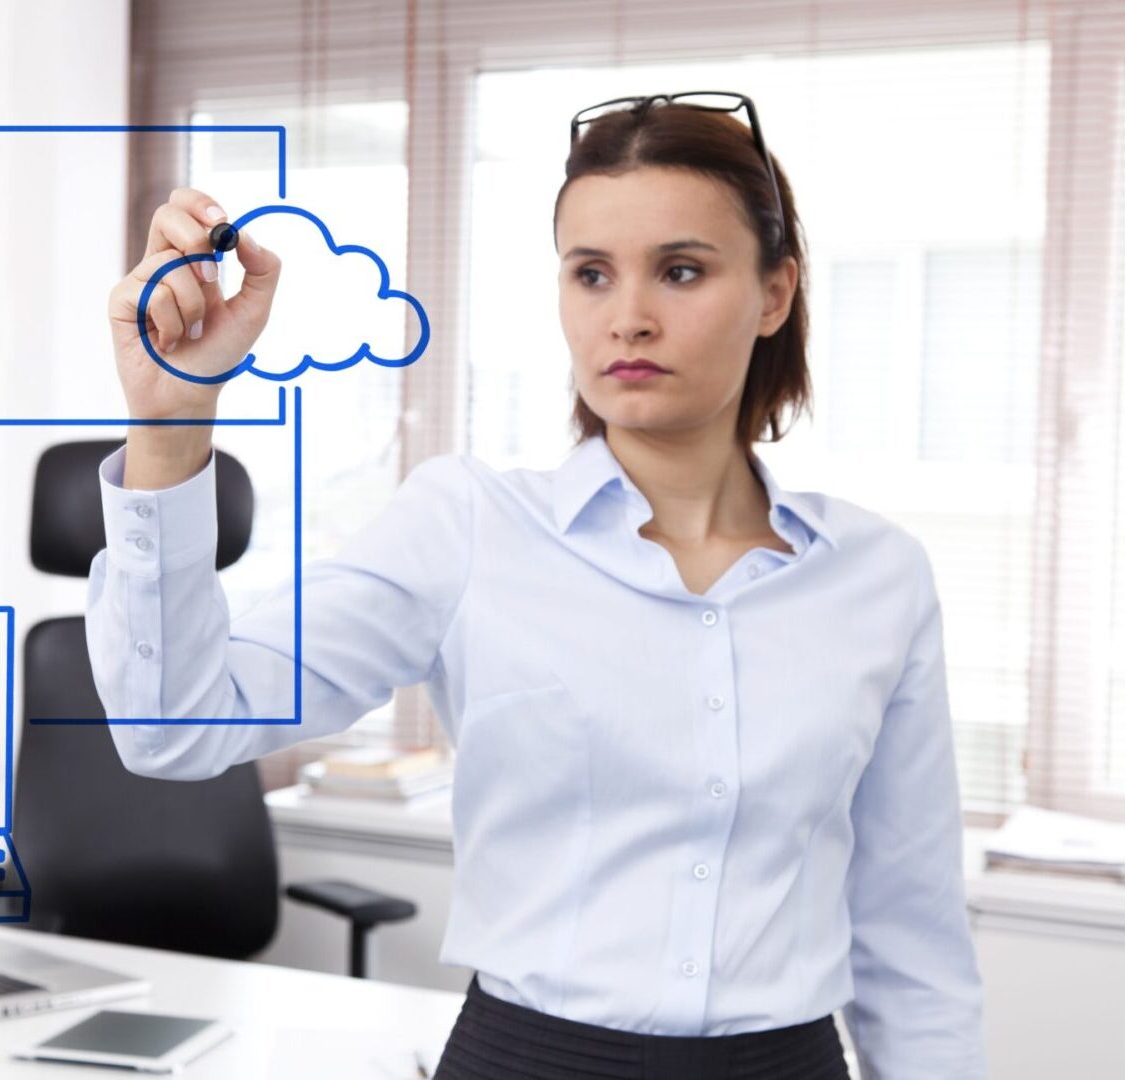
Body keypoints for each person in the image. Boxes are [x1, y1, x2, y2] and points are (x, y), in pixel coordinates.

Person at [89, 92, 987, 1079]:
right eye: (590, 274)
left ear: (773, 294)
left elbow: (912, 943)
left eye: (680, 271)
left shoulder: (875, 577)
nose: (628, 318)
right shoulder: (467, 526)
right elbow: (173, 725)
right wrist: (171, 421)